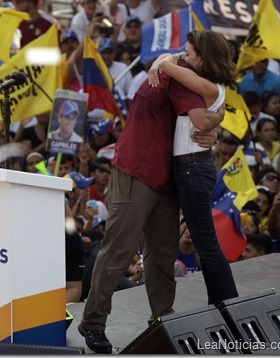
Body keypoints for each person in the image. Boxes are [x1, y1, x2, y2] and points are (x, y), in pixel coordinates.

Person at [78, 33, 222, 353]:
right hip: (137, 170)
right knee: (119, 251)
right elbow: (202, 117)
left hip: (163, 175)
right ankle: (93, 322)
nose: (184, 56)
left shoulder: (174, 68)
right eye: (184, 52)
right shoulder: (179, 74)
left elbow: (204, 111)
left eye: (189, 52)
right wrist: (216, 121)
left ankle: (163, 318)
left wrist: (215, 122)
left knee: (162, 253)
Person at [149, 29, 239, 306]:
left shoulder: (207, 87)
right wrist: (165, 59)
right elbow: (172, 57)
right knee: (205, 243)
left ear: (203, 58)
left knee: (206, 245)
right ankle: (221, 304)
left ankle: (227, 306)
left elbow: (168, 64)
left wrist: (160, 63)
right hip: (190, 168)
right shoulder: (206, 82)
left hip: (193, 169)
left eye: (189, 53)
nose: (184, 56)